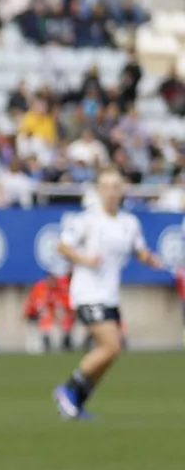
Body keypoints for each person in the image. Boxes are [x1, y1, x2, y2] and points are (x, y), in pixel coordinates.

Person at [53, 170, 165, 419]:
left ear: (123, 190)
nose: (112, 192)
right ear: (99, 191)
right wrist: (84, 259)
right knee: (111, 346)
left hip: (110, 295)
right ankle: (68, 388)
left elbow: (140, 250)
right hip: (88, 293)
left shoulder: (129, 223)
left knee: (111, 352)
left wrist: (151, 259)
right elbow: (62, 245)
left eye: (116, 187)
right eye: (107, 187)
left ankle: (76, 402)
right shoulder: (88, 220)